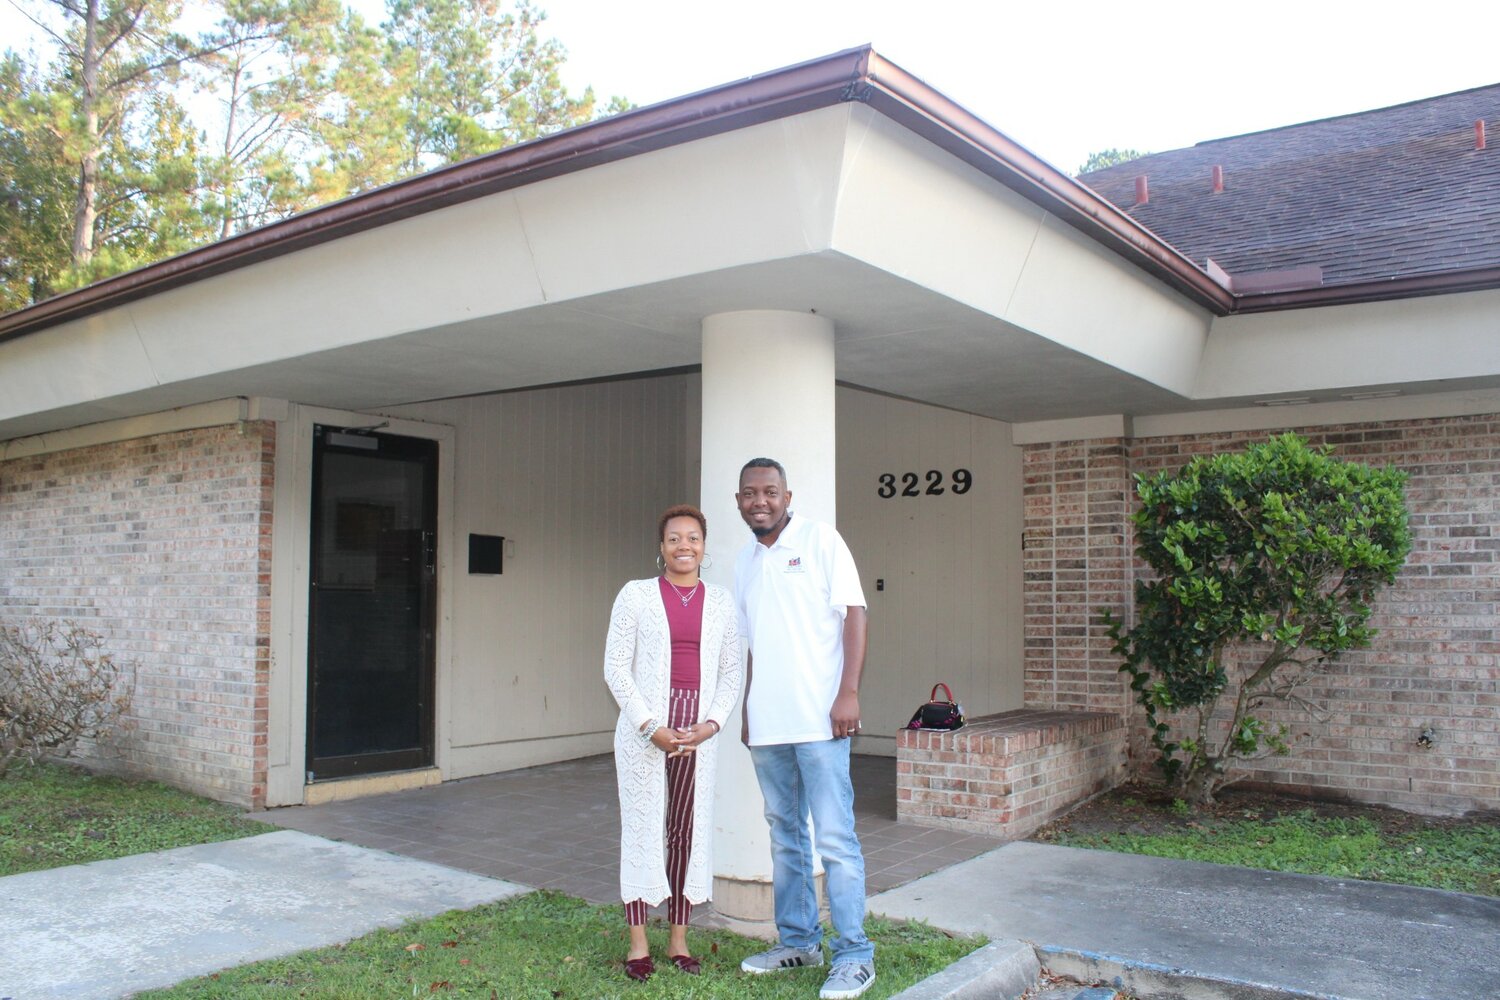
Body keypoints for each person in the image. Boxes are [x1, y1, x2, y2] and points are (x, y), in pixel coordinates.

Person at [733, 458, 875, 1000]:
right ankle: (798, 941)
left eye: (770, 491)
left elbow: (855, 614)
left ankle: (855, 954)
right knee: (785, 835)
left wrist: (849, 693)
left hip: (820, 721)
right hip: (768, 725)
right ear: (739, 499)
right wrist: (748, 706)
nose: (760, 501)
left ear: (787, 495)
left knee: (835, 839)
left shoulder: (821, 540)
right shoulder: (744, 560)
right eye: (750, 493)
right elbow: (752, 643)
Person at [603, 504, 743, 983]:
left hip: (697, 735)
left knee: (686, 833)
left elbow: (731, 672)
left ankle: (679, 939)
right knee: (642, 832)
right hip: (647, 734)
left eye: (693, 538)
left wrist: (711, 725)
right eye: (674, 539)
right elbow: (616, 669)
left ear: (705, 546)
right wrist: (649, 727)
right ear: (660, 548)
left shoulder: (722, 602)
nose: (684, 546)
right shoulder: (636, 595)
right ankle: (638, 943)